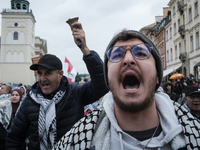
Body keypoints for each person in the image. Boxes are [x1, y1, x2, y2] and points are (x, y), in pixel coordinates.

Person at [53, 29, 200, 150]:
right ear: (108, 81)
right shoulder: (74, 141)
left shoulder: (195, 133)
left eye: (141, 53)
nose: (128, 59)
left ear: (157, 77)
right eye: (117, 55)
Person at [5, 22, 108, 150]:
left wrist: (85, 49)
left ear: (60, 74)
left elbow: (103, 84)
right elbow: (14, 138)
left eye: (48, 73)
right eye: (40, 74)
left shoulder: (75, 93)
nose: (42, 79)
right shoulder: (30, 101)